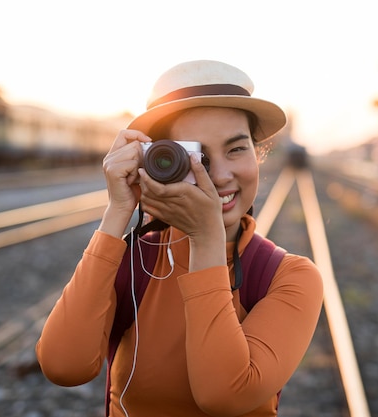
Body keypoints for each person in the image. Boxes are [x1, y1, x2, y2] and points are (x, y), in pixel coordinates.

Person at [36, 60, 324, 417]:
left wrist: (207, 239)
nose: (218, 175)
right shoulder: (133, 260)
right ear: (158, 161)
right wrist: (116, 213)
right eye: (196, 156)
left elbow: (223, 395)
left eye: (237, 149)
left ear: (258, 153)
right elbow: (64, 366)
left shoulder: (289, 277)